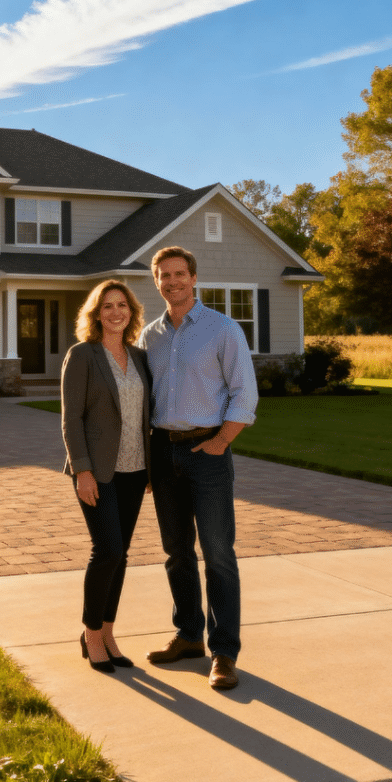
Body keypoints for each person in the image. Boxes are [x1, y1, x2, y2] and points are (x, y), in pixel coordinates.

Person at [141, 246, 258, 691]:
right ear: (156, 282)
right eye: (163, 276)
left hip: (207, 452)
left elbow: (243, 393)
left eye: (179, 274)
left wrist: (220, 442)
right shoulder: (150, 336)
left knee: (218, 554)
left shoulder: (222, 329)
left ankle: (224, 651)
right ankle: (188, 636)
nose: (172, 282)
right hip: (163, 453)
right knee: (176, 552)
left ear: (193, 278)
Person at [61, 279, 151, 673]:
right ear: (96, 314)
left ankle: (109, 632)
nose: (116, 312)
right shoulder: (83, 355)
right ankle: (91, 633)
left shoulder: (140, 357)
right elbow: (71, 418)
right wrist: (82, 470)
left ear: (131, 311)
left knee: (122, 555)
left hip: (135, 469)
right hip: (97, 471)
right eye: (108, 306)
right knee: (108, 550)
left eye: (122, 305)